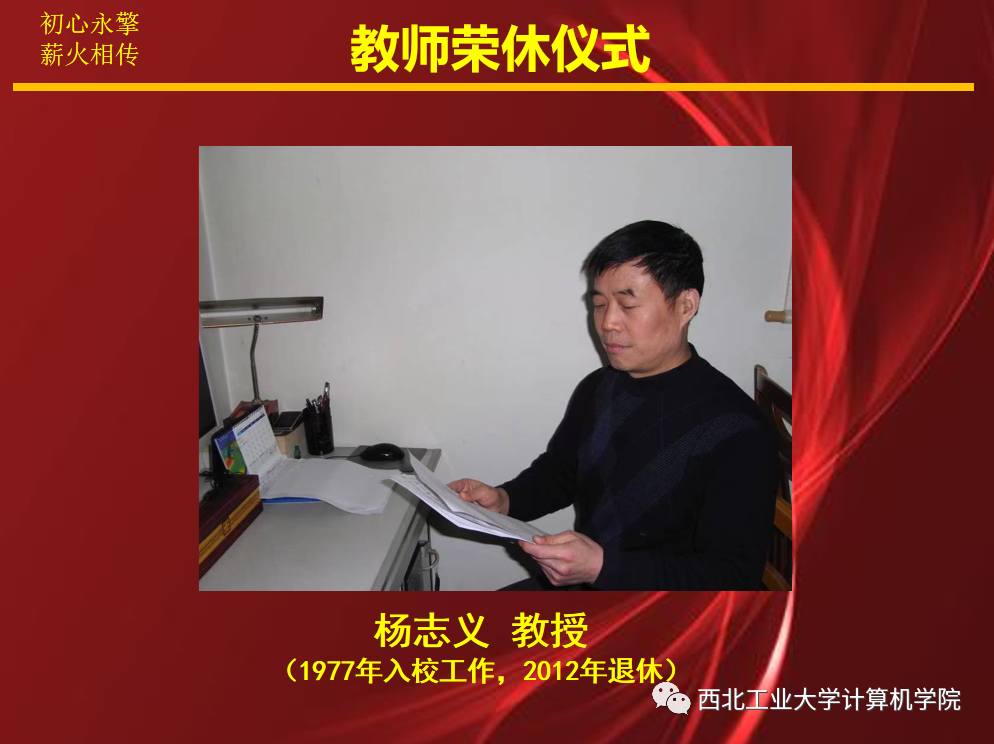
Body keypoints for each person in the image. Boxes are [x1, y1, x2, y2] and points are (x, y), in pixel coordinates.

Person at [449, 220, 780, 590]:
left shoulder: (738, 430)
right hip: (592, 583)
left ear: (686, 305)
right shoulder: (600, 387)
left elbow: (732, 577)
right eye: (599, 304)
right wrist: (505, 500)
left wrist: (602, 567)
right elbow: (562, 473)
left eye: (627, 304)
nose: (607, 323)